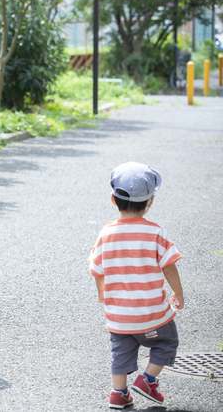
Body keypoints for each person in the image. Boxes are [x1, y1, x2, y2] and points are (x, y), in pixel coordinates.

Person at [89, 162, 184, 409]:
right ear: (150, 202)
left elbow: (97, 269)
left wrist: (102, 292)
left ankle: (118, 394)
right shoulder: (155, 232)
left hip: (119, 315)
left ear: (113, 199)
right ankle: (148, 379)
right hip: (152, 314)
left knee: (120, 352)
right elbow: (169, 266)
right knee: (167, 342)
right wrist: (178, 293)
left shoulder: (106, 233)